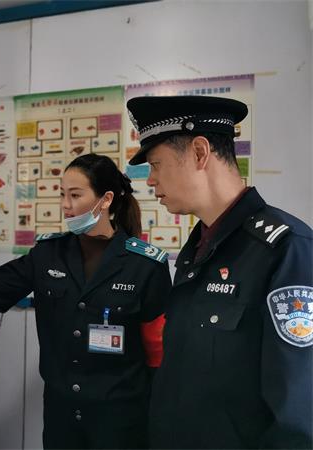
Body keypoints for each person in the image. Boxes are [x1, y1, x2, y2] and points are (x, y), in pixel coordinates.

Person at [0, 154, 171, 450]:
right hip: (62, 416)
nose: (65, 204)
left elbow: (159, 353)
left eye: (75, 195)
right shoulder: (48, 254)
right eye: (62, 194)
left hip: (121, 418)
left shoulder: (144, 265)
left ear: (106, 199)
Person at [126, 95, 313, 449]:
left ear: (200, 152)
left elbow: (297, 415)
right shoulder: (197, 249)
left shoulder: (286, 249)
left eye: (156, 165)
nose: (150, 180)